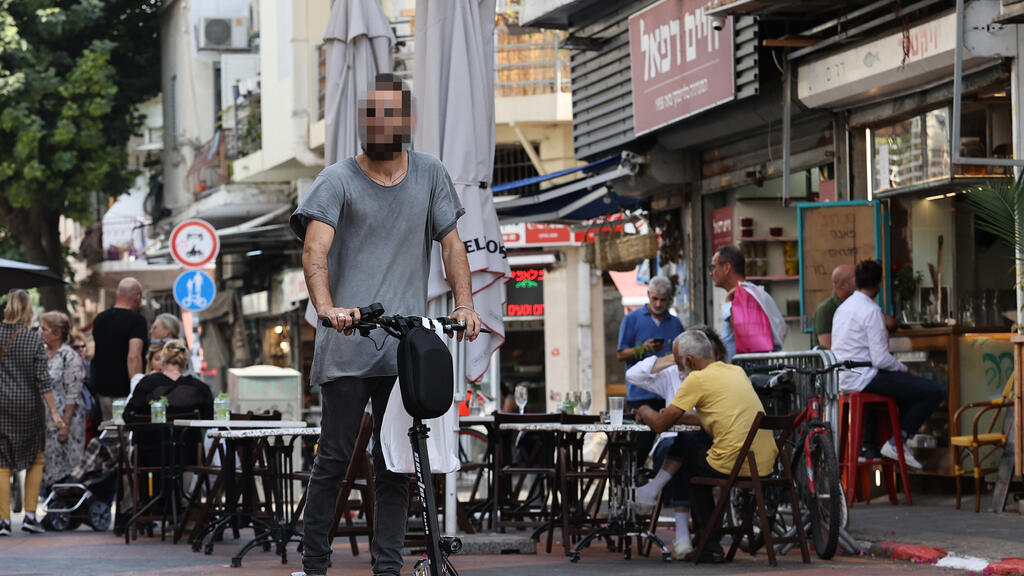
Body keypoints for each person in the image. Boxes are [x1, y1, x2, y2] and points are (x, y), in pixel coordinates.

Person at [289, 73, 481, 576]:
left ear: (407, 120)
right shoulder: (336, 179)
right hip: (349, 342)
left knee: (396, 463)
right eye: (369, 114)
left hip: (403, 346)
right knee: (333, 459)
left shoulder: (431, 173)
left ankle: (388, 568)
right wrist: (328, 308)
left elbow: (452, 243)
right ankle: (314, 565)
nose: (376, 123)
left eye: (387, 114)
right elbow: (315, 249)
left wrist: (465, 304)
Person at [633, 329, 778, 563]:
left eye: (678, 362)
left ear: (689, 360)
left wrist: (643, 410)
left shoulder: (697, 379)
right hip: (763, 462)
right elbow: (710, 417)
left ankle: (708, 544)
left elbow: (659, 425)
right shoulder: (736, 371)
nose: (678, 368)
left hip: (735, 464)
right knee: (692, 447)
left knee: (688, 462)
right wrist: (676, 417)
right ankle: (702, 539)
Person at [831, 260, 945, 469]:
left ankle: (873, 446)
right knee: (935, 390)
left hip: (844, 378)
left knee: (907, 391)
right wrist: (906, 369)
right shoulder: (871, 310)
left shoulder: (842, 308)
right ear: (878, 285)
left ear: (857, 282)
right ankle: (897, 441)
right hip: (864, 378)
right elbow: (880, 359)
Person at [626, 326, 725, 559]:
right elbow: (633, 375)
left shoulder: (715, 376)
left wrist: (646, 411)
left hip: (702, 442)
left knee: (688, 449)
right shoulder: (673, 373)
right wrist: (676, 358)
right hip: (673, 444)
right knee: (683, 450)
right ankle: (681, 536)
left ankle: (656, 492)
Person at [0, 290, 64, 535]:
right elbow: (43, 380)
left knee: (2, 462)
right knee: (36, 459)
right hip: (28, 407)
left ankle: (3, 521)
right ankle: (28, 516)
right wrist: (55, 413)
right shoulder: (34, 339)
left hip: (1, 407)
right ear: (28, 310)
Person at [616, 276, 684, 465]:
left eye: (663, 299)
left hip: (669, 394)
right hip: (640, 394)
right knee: (639, 449)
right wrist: (643, 349)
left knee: (673, 445)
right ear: (648, 295)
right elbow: (620, 354)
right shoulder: (632, 319)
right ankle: (634, 484)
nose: (658, 303)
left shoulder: (676, 323)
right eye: (655, 298)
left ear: (669, 298)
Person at [710, 245, 787, 360]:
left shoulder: (743, 295)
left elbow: (744, 335)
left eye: (713, 267)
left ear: (726, 267)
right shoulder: (755, 292)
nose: (711, 273)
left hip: (745, 373)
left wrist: (727, 306)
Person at [39, 311, 86, 492]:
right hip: (46, 422)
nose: (40, 332)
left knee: (66, 468)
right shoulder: (42, 354)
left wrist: (65, 425)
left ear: (57, 333)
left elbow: (73, 393)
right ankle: (54, 513)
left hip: (66, 421)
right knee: (49, 468)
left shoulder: (68, 356)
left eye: (44, 329)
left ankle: (68, 512)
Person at [91, 278, 147, 419]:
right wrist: (137, 389)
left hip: (102, 389)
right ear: (138, 297)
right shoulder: (137, 321)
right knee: (127, 434)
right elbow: (133, 356)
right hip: (125, 391)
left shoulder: (99, 319)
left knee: (109, 433)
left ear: (117, 294)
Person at [124, 340, 213, 421]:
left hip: (153, 438)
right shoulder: (200, 389)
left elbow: (127, 416)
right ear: (185, 362)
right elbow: (209, 420)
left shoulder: (147, 384)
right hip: (190, 438)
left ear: (162, 361)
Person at [812, 265, 855, 349]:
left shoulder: (855, 306)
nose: (861, 282)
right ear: (842, 284)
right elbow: (827, 348)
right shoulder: (826, 310)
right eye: (856, 278)